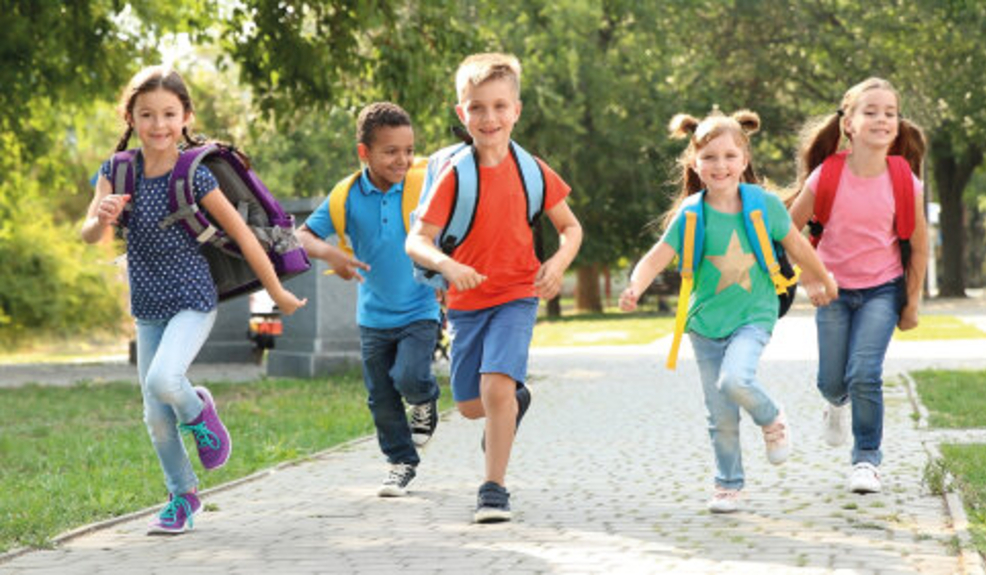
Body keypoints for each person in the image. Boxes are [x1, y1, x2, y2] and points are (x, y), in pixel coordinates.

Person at [80, 66, 306, 534]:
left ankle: (200, 409)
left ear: (186, 117)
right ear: (131, 117)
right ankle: (182, 495)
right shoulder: (116, 171)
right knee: (154, 414)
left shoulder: (196, 177)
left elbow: (244, 238)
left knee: (165, 378)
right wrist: (101, 218)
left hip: (192, 299)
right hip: (147, 306)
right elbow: (88, 235)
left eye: (168, 114)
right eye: (147, 115)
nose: (158, 125)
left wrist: (278, 290)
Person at [619, 109, 837, 514]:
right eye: (709, 157)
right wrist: (634, 286)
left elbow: (798, 246)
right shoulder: (690, 214)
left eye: (729, 156)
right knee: (720, 415)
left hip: (754, 315)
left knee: (735, 379)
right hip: (703, 325)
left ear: (745, 159)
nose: (720, 165)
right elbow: (654, 259)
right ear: (694, 163)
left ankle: (771, 417)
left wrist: (823, 275)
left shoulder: (764, 206)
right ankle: (728, 485)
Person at [406, 53, 583, 523]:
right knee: (469, 406)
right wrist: (448, 266)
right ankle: (513, 402)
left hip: (517, 295)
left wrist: (559, 261)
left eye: (500, 106)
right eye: (478, 107)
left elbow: (571, 228)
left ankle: (493, 489)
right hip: (465, 304)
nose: (489, 118)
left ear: (516, 110)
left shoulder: (533, 171)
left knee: (495, 385)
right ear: (461, 112)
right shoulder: (454, 174)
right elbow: (417, 240)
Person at [788, 78, 927, 494]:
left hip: (883, 290)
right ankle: (836, 404)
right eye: (871, 111)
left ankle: (866, 459)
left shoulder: (907, 181)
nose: (882, 119)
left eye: (890, 112)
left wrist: (912, 305)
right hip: (832, 289)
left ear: (898, 126)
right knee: (833, 381)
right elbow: (788, 231)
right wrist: (811, 277)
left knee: (865, 373)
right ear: (848, 123)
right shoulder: (825, 175)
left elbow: (919, 250)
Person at [296, 102, 441, 498]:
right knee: (380, 397)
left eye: (409, 150)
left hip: (421, 307)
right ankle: (400, 462)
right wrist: (332, 256)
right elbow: (303, 235)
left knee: (409, 376)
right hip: (373, 317)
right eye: (391, 151)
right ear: (365, 153)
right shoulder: (345, 195)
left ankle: (426, 400)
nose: (403, 159)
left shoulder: (424, 183)